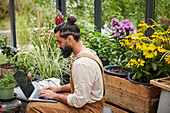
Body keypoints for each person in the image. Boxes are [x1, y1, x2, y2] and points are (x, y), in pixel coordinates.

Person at [26, 16, 105, 113]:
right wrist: (57, 89)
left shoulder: (82, 64)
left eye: (59, 42)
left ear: (70, 39)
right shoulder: (89, 53)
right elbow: (80, 85)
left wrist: (54, 96)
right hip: (86, 103)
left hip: (89, 109)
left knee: (33, 107)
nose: (58, 46)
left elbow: (78, 101)